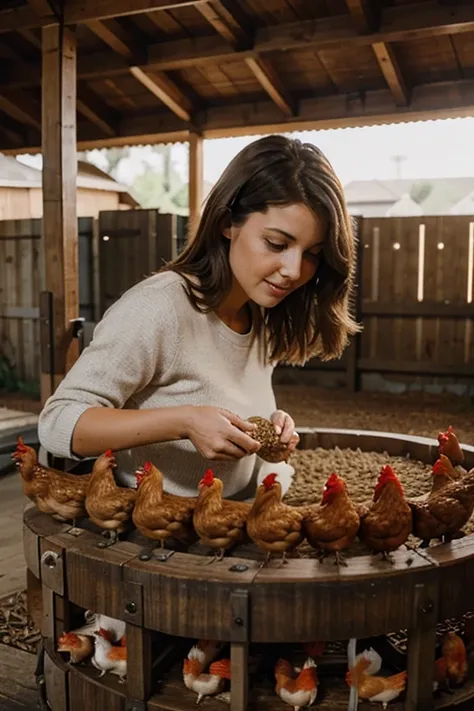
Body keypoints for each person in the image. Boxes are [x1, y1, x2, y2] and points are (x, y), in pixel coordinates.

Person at [38, 135, 359, 498]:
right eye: (277, 244)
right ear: (227, 223)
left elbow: (220, 401)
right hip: (153, 532)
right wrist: (184, 422)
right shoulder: (158, 307)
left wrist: (270, 428)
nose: (293, 269)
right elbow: (57, 423)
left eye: (312, 253)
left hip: (230, 520)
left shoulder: (259, 312)